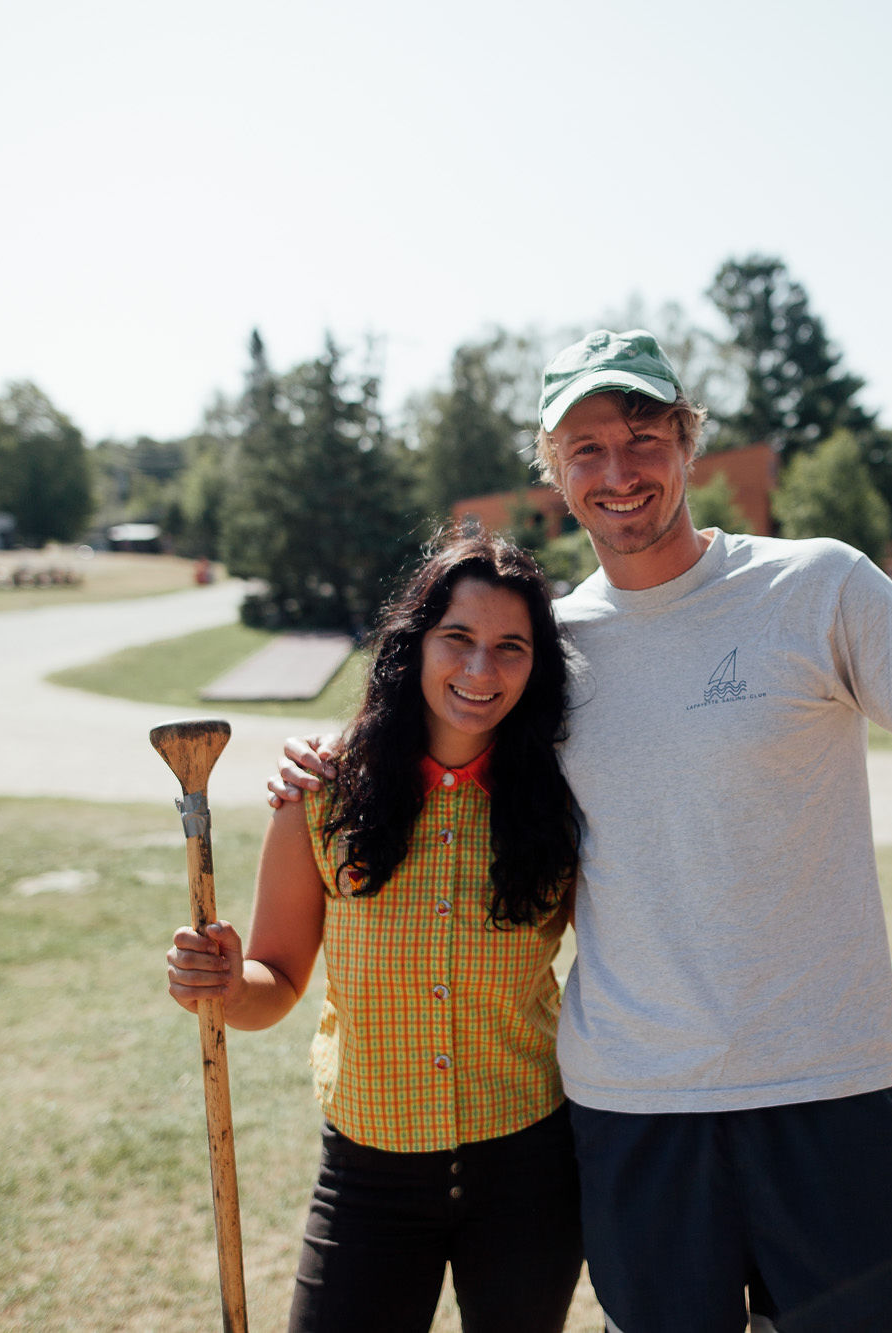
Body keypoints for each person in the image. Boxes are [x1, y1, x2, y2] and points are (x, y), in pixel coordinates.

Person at [274, 330, 892, 1333]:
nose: (617, 469)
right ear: (552, 471)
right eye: (584, 448)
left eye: (642, 435)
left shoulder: (818, 587)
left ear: (688, 442)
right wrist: (321, 760)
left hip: (832, 1087)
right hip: (634, 1112)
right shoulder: (545, 655)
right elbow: (434, 732)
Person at [168, 530, 585, 1333]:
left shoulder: (561, 806)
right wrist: (223, 981)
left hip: (530, 1167)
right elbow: (274, 984)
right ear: (414, 644)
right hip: (370, 1173)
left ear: (538, 667)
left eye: (510, 647)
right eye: (456, 638)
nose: (479, 670)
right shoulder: (322, 793)